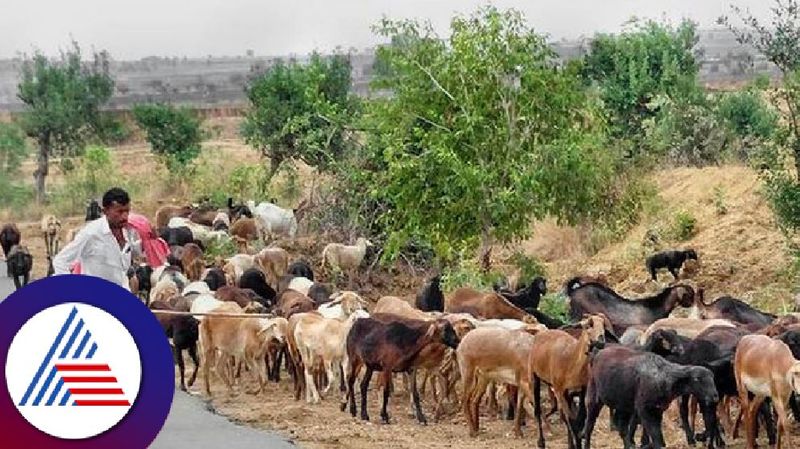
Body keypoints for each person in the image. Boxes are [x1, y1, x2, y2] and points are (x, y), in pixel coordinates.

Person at [53, 187, 140, 290]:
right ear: (105, 211)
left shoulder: (129, 232)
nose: (124, 217)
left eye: (127, 211)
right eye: (119, 212)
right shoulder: (91, 233)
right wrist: (72, 290)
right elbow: (60, 261)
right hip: (96, 299)